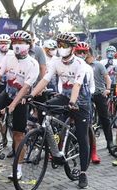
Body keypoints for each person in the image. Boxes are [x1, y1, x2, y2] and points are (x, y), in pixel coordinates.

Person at [27, 32, 91, 188]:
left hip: (81, 101)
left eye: (65, 46)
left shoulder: (80, 64)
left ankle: (83, 173)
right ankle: (54, 148)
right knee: (44, 109)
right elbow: (46, 79)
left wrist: (73, 103)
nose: (61, 48)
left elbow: (76, 85)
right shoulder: (56, 61)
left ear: (72, 48)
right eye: (59, 45)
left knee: (83, 137)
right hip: (64, 96)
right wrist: (32, 94)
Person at [0, 30, 40, 180]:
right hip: (7, 93)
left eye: (21, 43)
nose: (17, 46)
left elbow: (25, 88)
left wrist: (13, 105)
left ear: (29, 45)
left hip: (21, 99)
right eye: (15, 43)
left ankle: (18, 169)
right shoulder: (9, 55)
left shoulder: (33, 64)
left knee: (18, 135)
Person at [74, 41, 103, 164]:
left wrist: (87, 96)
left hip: (84, 100)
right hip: (70, 98)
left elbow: (92, 86)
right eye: (79, 52)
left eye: (84, 52)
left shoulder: (88, 68)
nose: (81, 54)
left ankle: (94, 152)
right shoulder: (70, 65)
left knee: (88, 127)